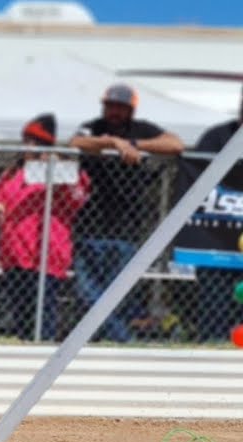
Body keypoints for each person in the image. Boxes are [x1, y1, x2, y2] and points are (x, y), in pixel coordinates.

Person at [68, 83, 184, 342]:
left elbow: (176, 144)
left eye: (120, 108)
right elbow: (75, 142)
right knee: (87, 291)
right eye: (110, 106)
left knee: (118, 293)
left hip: (126, 229)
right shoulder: (94, 127)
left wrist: (134, 144)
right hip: (89, 227)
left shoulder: (141, 129)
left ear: (130, 110)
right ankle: (123, 340)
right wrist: (112, 143)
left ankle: (106, 339)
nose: (114, 112)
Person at [0, 114, 92, 341]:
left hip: (46, 252)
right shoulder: (13, 173)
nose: (28, 146)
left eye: (34, 142)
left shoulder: (63, 172)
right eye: (26, 140)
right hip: (14, 252)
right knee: (21, 312)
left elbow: (77, 199)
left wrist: (56, 171)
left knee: (43, 313)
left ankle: (43, 355)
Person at [180, 87, 243, 342]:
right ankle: (211, 345)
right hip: (215, 242)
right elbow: (196, 169)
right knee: (213, 302)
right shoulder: (217, 136)